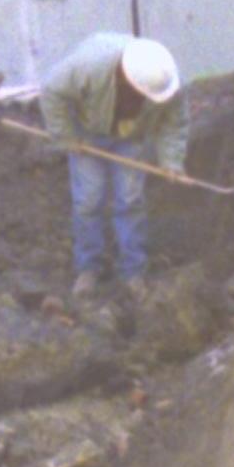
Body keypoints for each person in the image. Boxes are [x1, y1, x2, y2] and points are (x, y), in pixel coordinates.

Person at [38, 32, 186, 292]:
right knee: (88, 200)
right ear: (126, 79)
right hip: (87, 131)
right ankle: (88, 268)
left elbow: (174, 123)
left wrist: (171, 161)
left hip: (132, 135)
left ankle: (133, 271)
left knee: (129, 200)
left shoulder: (165, 81)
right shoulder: (90, 67)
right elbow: (51, 91)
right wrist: (66, 137)